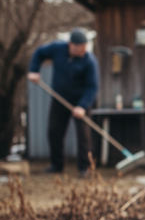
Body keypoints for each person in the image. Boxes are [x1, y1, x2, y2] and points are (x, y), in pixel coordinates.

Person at [27, 28, 99, 177]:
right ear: (71, 45)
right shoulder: (58, 49)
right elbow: (39, 52)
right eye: (80, 47)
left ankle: (85, 168)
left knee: (83, 135)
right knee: (54, 131)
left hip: (81, 101)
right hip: (60, 98)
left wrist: (82, 106)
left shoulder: (90, 61)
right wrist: (34, 70)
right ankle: (57, 165)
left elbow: (93, 87)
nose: (83, 51)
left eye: (85, 47)